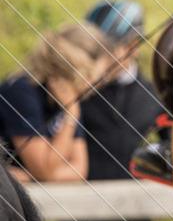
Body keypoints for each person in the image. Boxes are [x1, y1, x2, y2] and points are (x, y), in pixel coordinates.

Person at [57, 0, 166, 221]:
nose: (96, 58)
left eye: (106, 50)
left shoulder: (154, 94)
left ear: (133, 46)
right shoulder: (78, 90)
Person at [0, 22, 112, 183]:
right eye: (99, 74)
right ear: (81, 70)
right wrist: (71, 114)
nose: (103, 80)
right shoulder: (21, 92)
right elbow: (44, 171)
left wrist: (30, 177)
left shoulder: (68, 100)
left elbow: (79, 170)